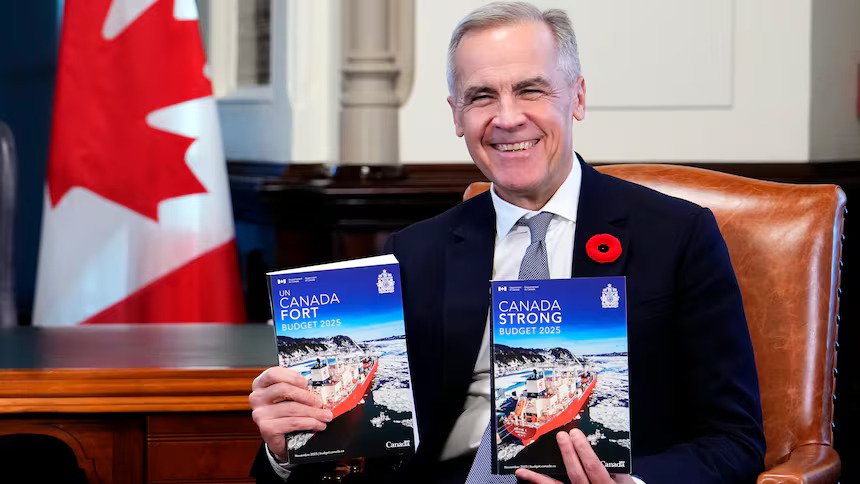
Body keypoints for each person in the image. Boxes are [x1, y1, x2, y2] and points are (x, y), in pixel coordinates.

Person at [249, 2, 765, 483]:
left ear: (577, 97)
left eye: (531, 90)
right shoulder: (415, 252)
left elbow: (735, 439)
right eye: (481, 96)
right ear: (457, 115)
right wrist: (284, 447)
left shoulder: (677, 236)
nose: (508, 117)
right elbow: (364, 444)